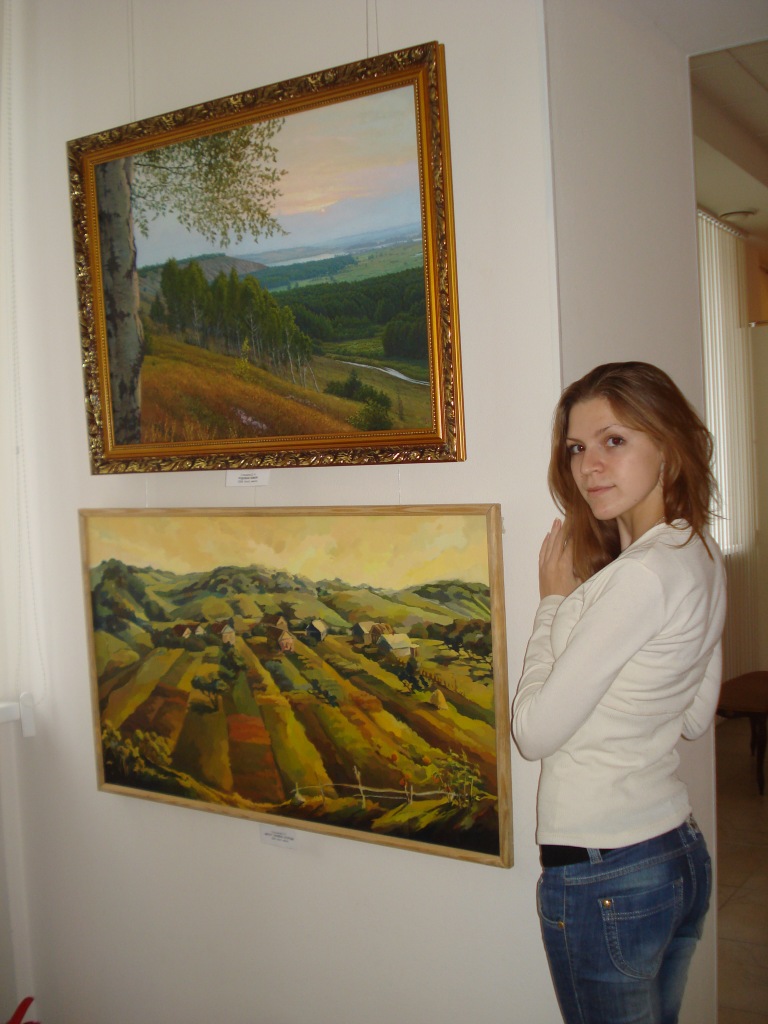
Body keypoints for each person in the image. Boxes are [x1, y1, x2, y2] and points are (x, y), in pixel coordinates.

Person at [512, 361, 726, 1024]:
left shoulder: (640, 578)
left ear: (668, 444)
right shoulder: (698, 552)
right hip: (673, 853)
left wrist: (553, 605)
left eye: (614, 440)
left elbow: (532, 733)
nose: (589, 466)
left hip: (608, 873)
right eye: (577, 447)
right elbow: (694, 714)